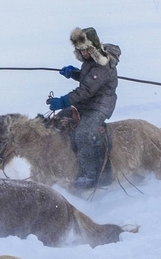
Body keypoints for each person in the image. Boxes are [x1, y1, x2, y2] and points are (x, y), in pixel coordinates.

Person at [46, 27, 120, 189]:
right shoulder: (90, 61)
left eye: (85, 50)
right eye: (79, 50)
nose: (83, 53)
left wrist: (64, 101)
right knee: (59, 121)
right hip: (86, 103)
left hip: (99, 106)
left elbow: (87, 89)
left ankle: (95, 175)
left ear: (92, 48)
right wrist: (73, 73)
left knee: (83, 133)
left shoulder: (102, 66)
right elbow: (88, 79)